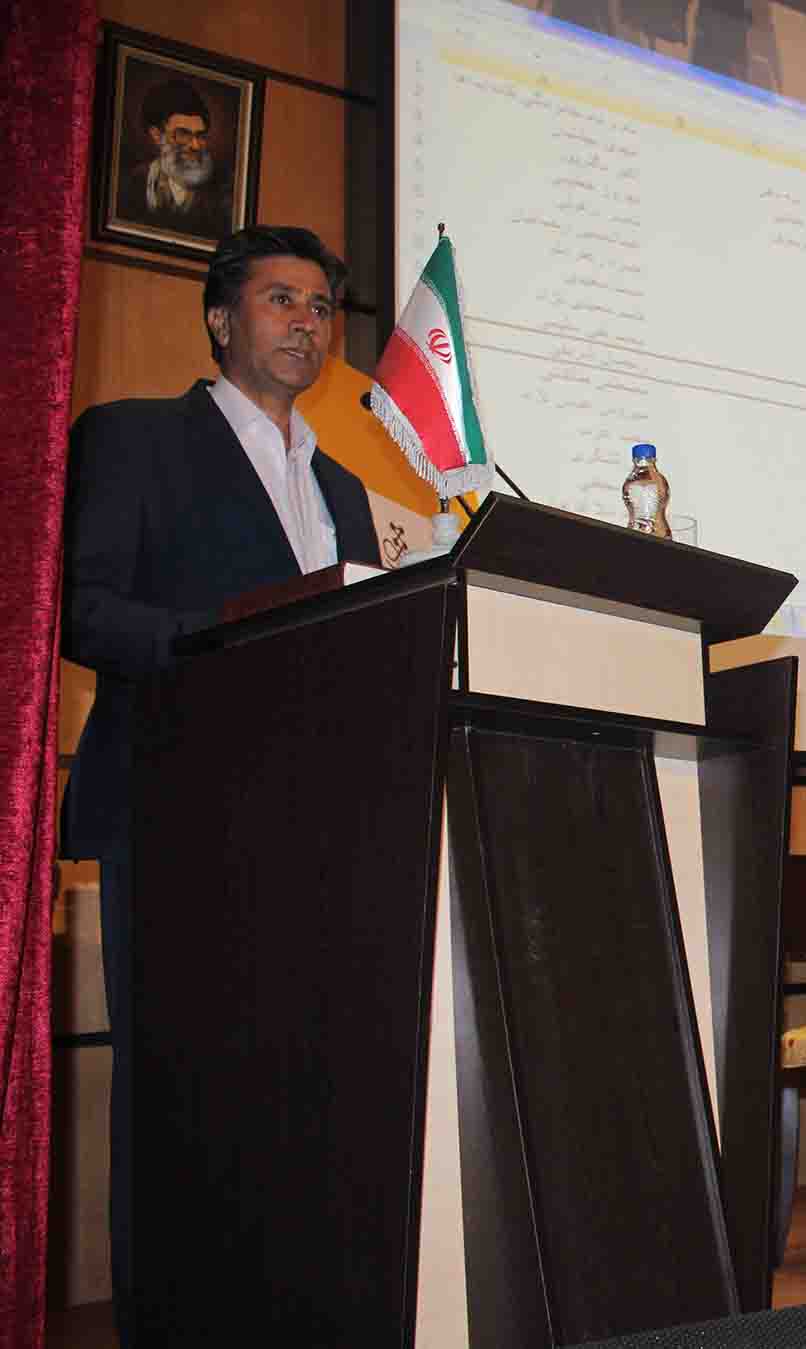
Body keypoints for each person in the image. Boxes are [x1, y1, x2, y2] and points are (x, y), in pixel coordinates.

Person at [61, 225, 379, 1345]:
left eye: (321, 307)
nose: (307, 322)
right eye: (281, 299)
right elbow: (83, 610)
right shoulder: (136, 438)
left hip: (319, 824)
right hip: (175, 808)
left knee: (296, 1096)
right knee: (179, 1097)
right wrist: (227, 639)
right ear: (219, 318)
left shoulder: (343, 486)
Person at [122, 79, 233, 240]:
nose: (195, 146)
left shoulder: (224, 190)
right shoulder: (132, 181)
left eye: (200, 136)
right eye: (183, 134)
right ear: (156, 135)